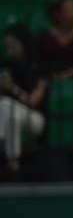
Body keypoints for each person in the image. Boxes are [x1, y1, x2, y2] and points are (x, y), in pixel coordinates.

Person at [0, 23, 45, 177]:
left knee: (6, 105)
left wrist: (12, 88)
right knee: (11, 115)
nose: (10, 50)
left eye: (13, 45)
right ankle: (13, 163)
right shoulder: (7, 66)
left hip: (35, 118)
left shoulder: (39, 66)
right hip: (11, 116)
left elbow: (33, 102)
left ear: (24, 43)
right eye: (8, 46)